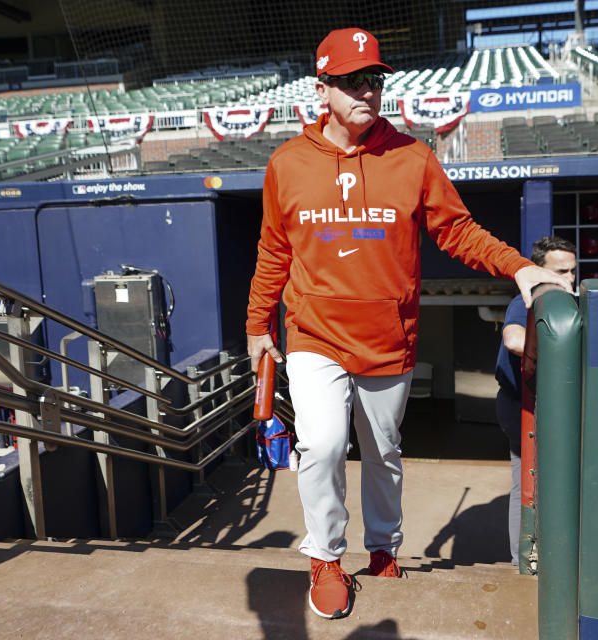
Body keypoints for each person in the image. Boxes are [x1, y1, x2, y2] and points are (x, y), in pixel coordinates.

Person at [244, 27, 573, 620]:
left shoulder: (412, 157)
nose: (366, 91)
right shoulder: (287, 163)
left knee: (383, 452)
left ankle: (384, 549)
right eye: (351, 81)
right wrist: (257, 325)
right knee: (321, 444)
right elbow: (273, 252)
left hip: (386, 339)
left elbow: (459, 231)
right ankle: (325, 556)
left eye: (374, 79)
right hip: (314, 333)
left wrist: (522, 269)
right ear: (323, 90)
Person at [494, 236, 576, 567]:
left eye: (571, 270)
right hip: (521, 407)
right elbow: (513, 339)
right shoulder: (526, 300)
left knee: (553, 482)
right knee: (526, 483)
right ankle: (524, 559)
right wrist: (559, 348)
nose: (567, 278)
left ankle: (550, 554)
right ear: (537, 271)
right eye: (560, 271)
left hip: (550, 407)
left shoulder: (564, 299)